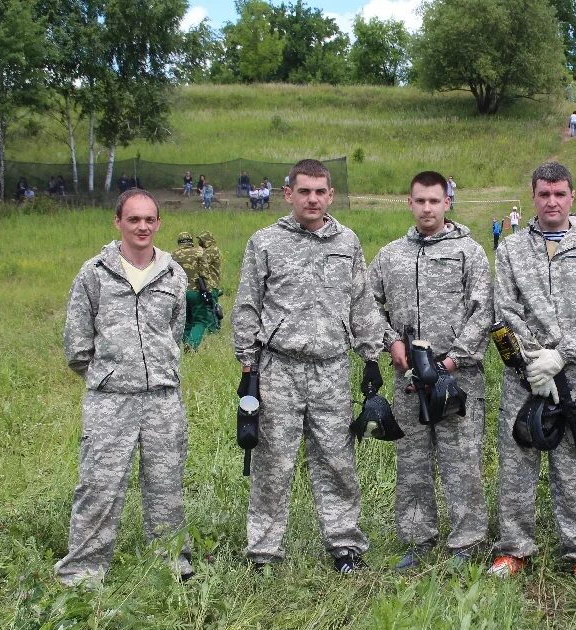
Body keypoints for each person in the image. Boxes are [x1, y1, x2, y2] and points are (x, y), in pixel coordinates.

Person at [232, 158, 385, 573]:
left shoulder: (347, 242)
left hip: (332, 370)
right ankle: (264, 552)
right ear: (289, 194)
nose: (313, 199)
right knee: (272, 462)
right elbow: (247, 306)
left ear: (330, 195)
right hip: (279, 368)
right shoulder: (265, 242)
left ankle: (344, 546)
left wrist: (371, 357)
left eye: (320, 191)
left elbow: (361, 301)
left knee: (337, 460)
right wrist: (249, 369)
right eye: (304, 191)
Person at [56, 189, 193, 587]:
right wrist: (113, 376)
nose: (142, 226)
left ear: (158, 223)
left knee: (166, 488)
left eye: (149, 219)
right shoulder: (94, 273)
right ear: (118, 222)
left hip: (163, 402)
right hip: (110, 402)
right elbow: (77, 347)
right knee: (99, 487)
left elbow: (174, 332)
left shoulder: (173, 274)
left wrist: (156, 372)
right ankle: (83, 573)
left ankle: (170, 565)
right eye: (134, 219)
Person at [488, 161, 576, 584]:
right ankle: (514, 550)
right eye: (544, 194)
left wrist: (561, 357)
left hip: (575, 376)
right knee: (517, 461)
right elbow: (505, 311)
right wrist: (532, 363)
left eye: (560, 193)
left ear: (572, 196)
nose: (552, 202)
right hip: (524, 378)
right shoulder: (511, 249)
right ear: (533, 196)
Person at [367, 170, 493, 570]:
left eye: (434, 201)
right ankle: (418, 539)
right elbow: (366, 305)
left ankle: (467, 542)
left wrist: (453, 359)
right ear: (409, 203)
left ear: (447, 203)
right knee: (413, 462)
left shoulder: (468, 252)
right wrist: (391, 342)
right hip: (408, 381)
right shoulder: (390, 256)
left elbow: (484, 311)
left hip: (458, 378)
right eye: (419, 200)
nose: (427, 208)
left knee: (462, 461)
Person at [173, 232, 214, 349]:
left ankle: (184, 343)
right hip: (196, 292)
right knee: (200, 321)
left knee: (185, 321)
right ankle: (192, 344)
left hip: (179, 292)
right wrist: (209, 292)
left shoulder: (172, 255)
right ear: (191, 241)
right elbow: (205, 274)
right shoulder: (198, 253)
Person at [198, 230, 223, 333]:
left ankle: (213, 330)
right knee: (211, 306)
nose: (200, 243)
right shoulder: (213, 250)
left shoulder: (212, 250)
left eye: (201, 241)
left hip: (210, 284)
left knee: (211, 308)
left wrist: (199, 252)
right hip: (211, 284)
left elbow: (201, 262)